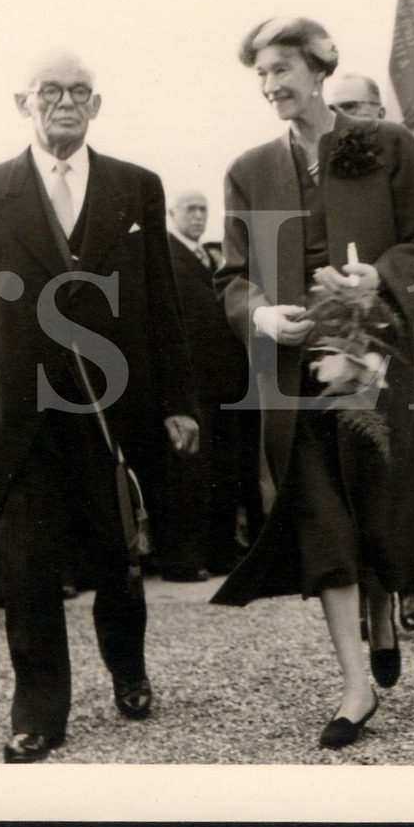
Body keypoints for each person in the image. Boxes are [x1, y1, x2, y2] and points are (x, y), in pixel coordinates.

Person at [210, 17, 414, 750]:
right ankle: (355, 685)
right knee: (322, 517)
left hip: (376, 360)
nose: (269, 86)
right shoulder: (248, 170)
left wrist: (379, 275)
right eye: (259, 75)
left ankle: (383, 606)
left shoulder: (388, 145)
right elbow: (232, 276)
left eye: (280, 70)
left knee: (377, 503)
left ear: (318, 67)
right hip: (295, 374)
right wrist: (259, 317)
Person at [0, 51, 199, 764]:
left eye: (79, 91)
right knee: (25, 564)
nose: (65, 102)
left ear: (97, 104)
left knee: (117, 554)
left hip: (113, 408)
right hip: (16, 414)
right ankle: (37, 710)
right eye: (50, 90)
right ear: (22, 100)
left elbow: (162, 303)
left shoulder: (135, 186)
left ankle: (128, 669)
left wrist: (178, 400)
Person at [321, 76, 414, 632]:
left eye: (353, 107)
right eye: (334, 107)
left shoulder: (398, 153)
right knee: (344, 476)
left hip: (395, 335)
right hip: (329, 341)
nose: (340, 117)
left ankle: (402, 585)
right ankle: (370, 596)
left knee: (395, 470)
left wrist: (384, 276)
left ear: (380, 110)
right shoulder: (313, 168)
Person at [162, 189, 253, 583]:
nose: (198, 216)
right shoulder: (164, 256)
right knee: (188, 472)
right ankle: (183, 558)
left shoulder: (212, 258)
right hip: (190, 382)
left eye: (203, 209)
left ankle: (220, 552)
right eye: (190, 209)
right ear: (172, 213)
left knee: (224, 469)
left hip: (225, 380)